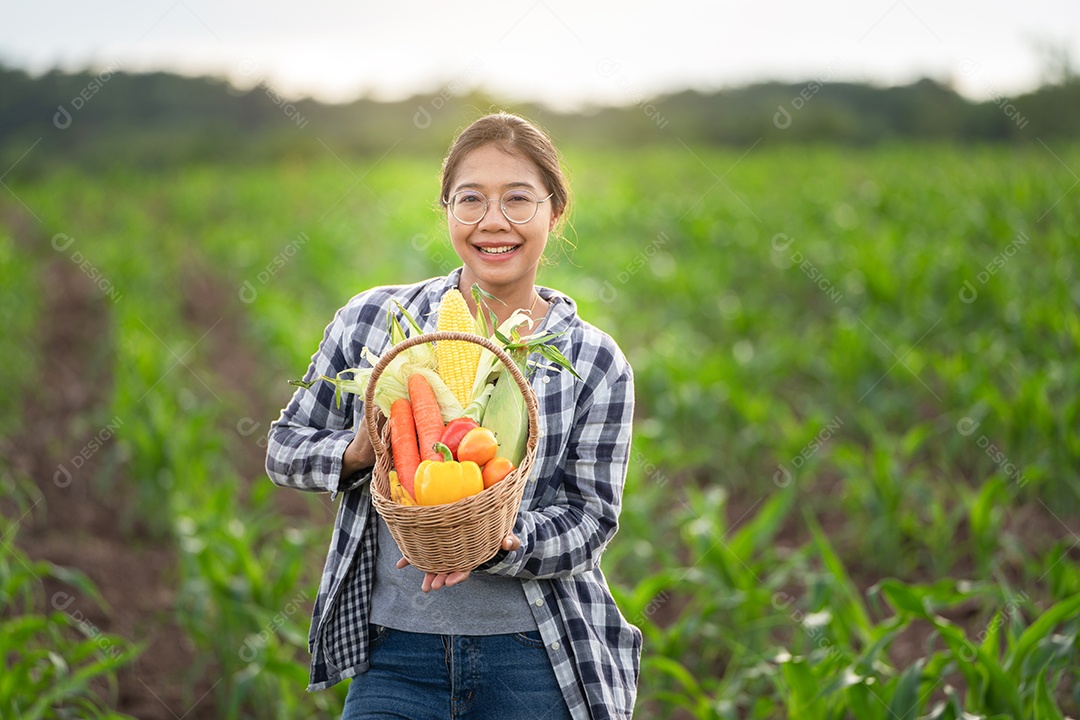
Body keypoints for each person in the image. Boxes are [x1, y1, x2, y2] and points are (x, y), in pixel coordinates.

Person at [266, 112, 641, 720]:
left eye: (518, 199)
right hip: (394, 655)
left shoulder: (593, 359)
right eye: (471, 200)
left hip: (535, 656)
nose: (494, 221)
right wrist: (360, 450)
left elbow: (592, 519)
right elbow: (284, 449)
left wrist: (495, 544)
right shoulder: (374, 323)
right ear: (446, 211)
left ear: (555, 212)